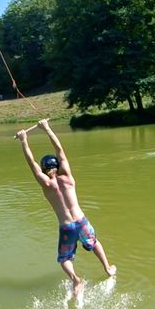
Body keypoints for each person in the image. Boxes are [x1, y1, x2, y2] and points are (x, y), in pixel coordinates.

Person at [16, 119, 116, 296]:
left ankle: (76, 280)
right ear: (57, 165)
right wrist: (46, 128)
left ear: (45, 169)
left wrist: (24, 139)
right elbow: (59, 150)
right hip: (81, 221)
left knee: (64, 260)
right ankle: (107, 268)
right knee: (94, 243)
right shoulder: (68, 178)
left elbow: (32, 163)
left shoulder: (46, 183)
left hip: (67, 226)